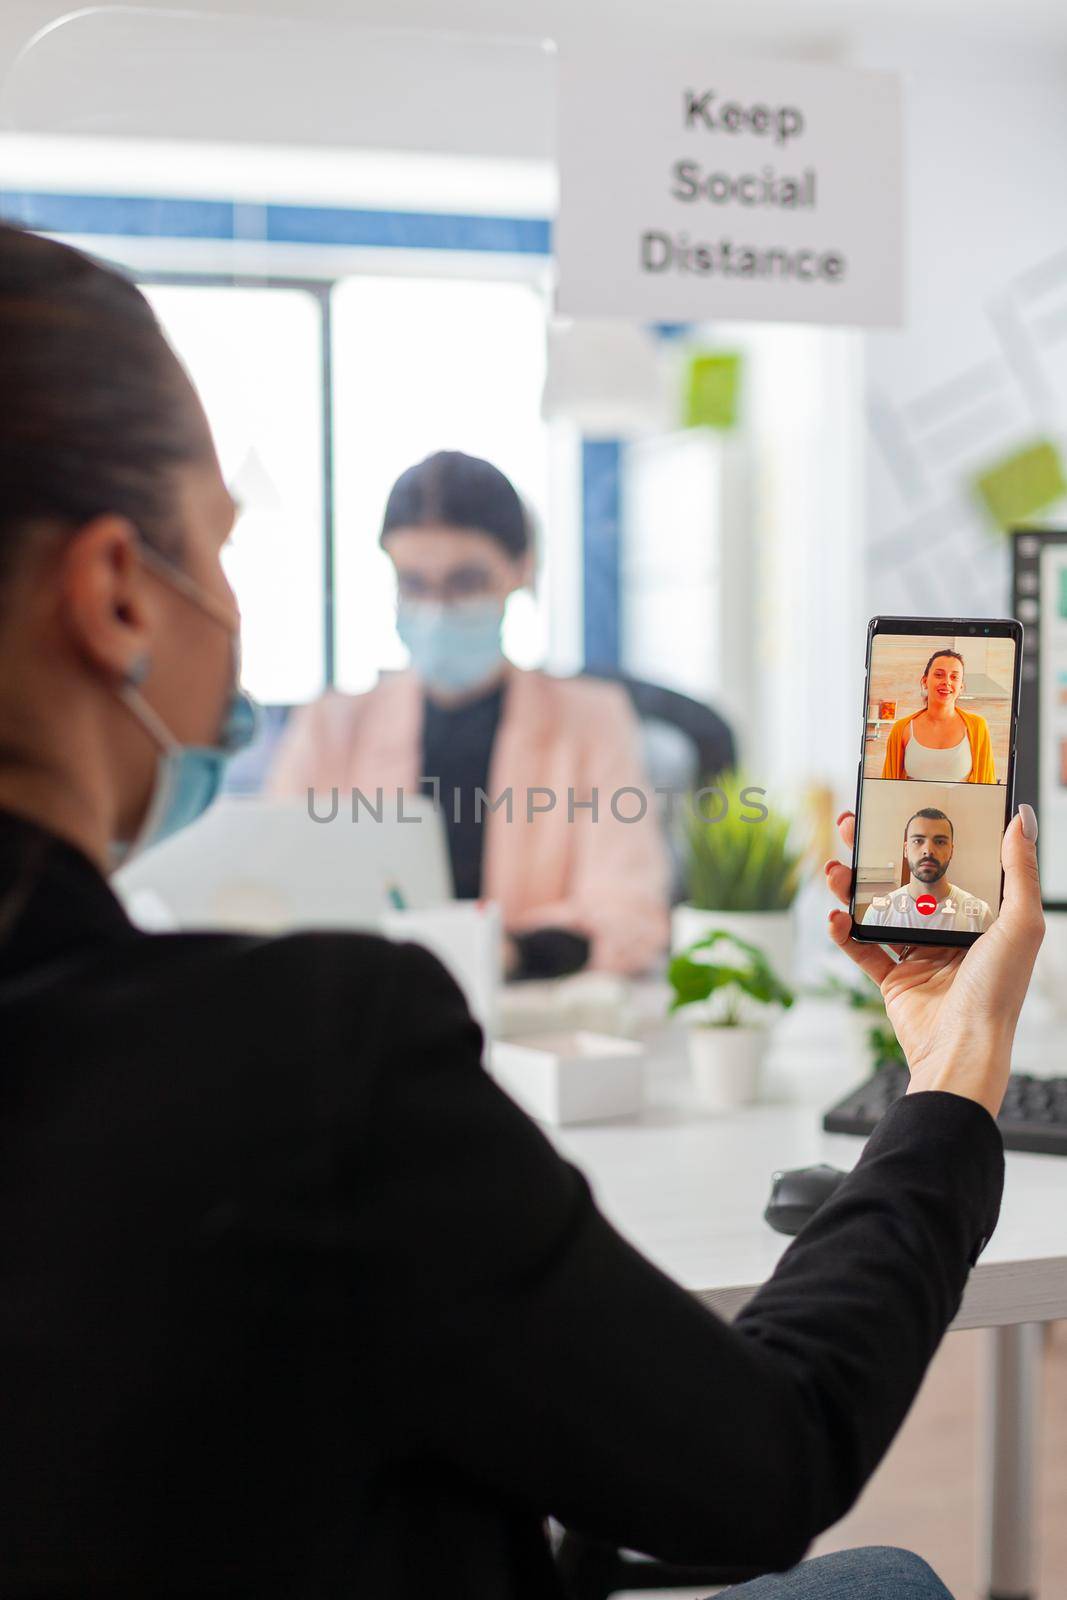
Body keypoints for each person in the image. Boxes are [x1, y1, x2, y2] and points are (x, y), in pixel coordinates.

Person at [0, 223, 1047, 1600]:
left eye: (460, 579)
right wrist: (953, 1073)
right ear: (117, 591)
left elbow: (612, 918)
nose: (432, 606)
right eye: (221, 545)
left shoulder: (579, 727)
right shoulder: (319, 1046)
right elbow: (756, 1463)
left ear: (512, 578)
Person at [267, 450, 669, 979]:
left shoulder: (594, 722)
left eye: (466, 582)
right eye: (414, 583)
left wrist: (500, 953)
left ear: (520, 570)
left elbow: (628, 916)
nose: (437, 608)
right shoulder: (330, 729)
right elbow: (274, 892)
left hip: (533, 1020)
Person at [863, 808, 995, 934]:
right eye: (918, 841)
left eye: (940, 842)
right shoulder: (879, 912)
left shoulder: (980, 915)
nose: (928, 850)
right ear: (905, 850)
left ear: (951, 851)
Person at [881, 649, 996, 783]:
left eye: (954, 677)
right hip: (912, 804)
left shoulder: (977, 727)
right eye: (939, 675)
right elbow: (888, 786)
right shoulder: (902, 729)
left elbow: (987, 785)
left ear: (961, 687)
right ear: (924, 681)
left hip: (961, 804)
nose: (946, 682)